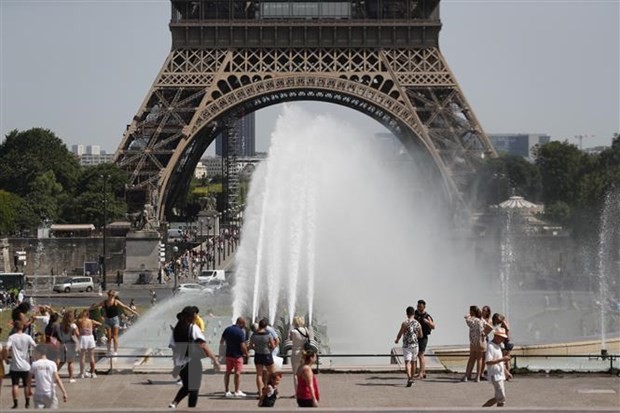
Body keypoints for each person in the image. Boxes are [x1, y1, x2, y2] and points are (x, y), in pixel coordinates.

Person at [168, 306, 220, 409]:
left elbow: (173, 348)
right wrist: (215, 360)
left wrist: (176, 366)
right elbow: (203, 345)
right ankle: (191, 409)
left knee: (187, 386)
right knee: (194, 388)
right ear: (190, 317)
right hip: (193, 361)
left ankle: (174, 403)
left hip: (180, 363)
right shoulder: (193, 328)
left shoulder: (176, 330)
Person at [93, 289, 139, 356]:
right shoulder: (105, 302)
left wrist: (134, 312)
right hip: (107, 320)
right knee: (109, 337)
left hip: (115, 320)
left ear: (114, 295)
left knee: (115, 336)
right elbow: (97, 306)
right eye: (109, 295)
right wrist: (89, 309)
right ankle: (108, 351)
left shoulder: (116, 301)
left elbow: (124, 306)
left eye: (112, 295)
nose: (110, 296)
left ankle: (115, 351)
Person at [5, 320, 37, 409]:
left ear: (15, 327)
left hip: (15, 366)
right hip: (25, 365)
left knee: (15, 385)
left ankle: (15, 403)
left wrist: (6, 358)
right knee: (26, 385)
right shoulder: (27, 337)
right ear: (22, 327)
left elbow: (7, 348)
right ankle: (27, 403)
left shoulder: (12, 337)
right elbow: (35, 346)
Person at [28, 345, 68, 409]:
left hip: (39, 394)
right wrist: (64, 392)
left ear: (39, 353)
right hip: (51, 394)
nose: (34, 354)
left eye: (35, 352)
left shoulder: (34, 364)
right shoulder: (52, 364)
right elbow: (57, 379)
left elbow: (29, 379)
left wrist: (29, 389)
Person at [220, 317, 249, 397]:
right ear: (241, 323)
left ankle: (227, 391)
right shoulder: (240, 332)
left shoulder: (227, 329)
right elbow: (242, 345)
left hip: (229, 354)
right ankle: (236, 391)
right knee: (237, 373)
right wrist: (246, 354)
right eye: (244, 325)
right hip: (238, 356)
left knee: (227, 373)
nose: (244, 327)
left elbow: (221, 341)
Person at [482, 328, 510, 407]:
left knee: (500, 397)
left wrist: (506, 372)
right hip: (495, 374)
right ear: (496, 336)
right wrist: (503, 359)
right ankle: (483, 409)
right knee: (501, 397)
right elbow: (488, 362)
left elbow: (500, 362)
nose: (502, 339)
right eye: (501, 337)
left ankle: (484, 408)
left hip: (499, 374)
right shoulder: (490, 346)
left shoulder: (498, 346)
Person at [395, 305, 422, 387]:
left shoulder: (404, 323)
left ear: (407, 314)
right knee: (414, 362)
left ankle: (409, 378)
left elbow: (400, 333)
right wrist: (415, 335)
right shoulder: (418, 323)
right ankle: (412, 378)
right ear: (414, 313)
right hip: (415, 345)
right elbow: (421, 335)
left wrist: (397, 339)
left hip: (407, 346)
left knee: (407, 362)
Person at [250, 319, 276, 397]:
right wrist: (270, 350)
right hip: (267, 354)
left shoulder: (254, 335)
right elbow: (273, 345)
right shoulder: (268, 334)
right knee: (272, 373)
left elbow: (251, 345)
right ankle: (273, 390)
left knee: (259, 375)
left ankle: (261, 393)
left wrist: (256, 349)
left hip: (258, 355)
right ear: (265, 326)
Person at [289, 315, 313, 389]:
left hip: (295, 352)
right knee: (305, 372)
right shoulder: (306, 330)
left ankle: (297, 392)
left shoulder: (293, 331)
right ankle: (306, 389)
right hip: (304, 353)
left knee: (296, 373)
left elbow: (291, 339)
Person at [463, 305, 486, 382]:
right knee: (479, 359)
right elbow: (489, 326)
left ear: (472, 311)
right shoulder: (481, 320)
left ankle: (466, 376)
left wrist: (469, 315)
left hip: (473, 342)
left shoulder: (471, 320)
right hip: (481, 342)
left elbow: (466, 317)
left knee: (471, 359)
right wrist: (484, 333)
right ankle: (477, 377)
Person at [413, 299, 435, 379]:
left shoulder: (427, 316)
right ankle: (423, 371)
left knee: (421, 354)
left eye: (420, 306)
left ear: (424, 307)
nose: (419, 308)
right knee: (416, 354)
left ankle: (421, 374)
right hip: (415, 337)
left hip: (423, 337)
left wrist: (428, 322)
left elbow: (433, 326)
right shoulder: (415, 314)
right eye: (418, 306)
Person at [77, 309, 101, 379]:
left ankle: (82, 373)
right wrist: (93, 327)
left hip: (83, 337)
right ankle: (93, 373)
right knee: (91, 356)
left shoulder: (80, 321)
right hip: (90, 337)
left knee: (82, 356)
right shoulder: (91, 321)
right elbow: (100, 324)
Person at [56, 311, 78, 383]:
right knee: (70, 362)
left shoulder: (60, 325)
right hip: (70, 344)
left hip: (62, 344)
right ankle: (71, 378)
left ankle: (53, 375)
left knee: (61, 362)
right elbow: (77, 334)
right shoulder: (73, 326)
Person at [492, 313, 514, 379]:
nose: (497, 321)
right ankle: (507, 373)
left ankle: (507, 374)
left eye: (497, 319)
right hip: (506, 341)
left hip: (505, 341)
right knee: (506, 359)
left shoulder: (503, 322)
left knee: (505, 359)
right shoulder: (503, 322)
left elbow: (507, 329)